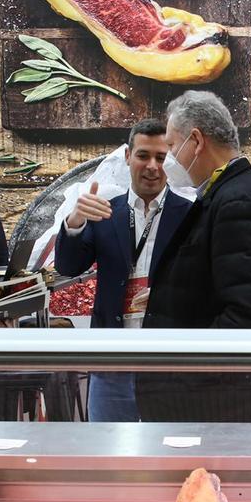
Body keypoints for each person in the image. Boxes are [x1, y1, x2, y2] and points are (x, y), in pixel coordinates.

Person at [136, 92, 251, 422]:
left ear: (196, 141)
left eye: (171, 146)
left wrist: (187, 374)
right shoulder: (232, 192)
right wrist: (173, 295)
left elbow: (249, 316)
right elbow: (227, 279)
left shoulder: (238, 202)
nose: (169, 161)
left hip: (219, 401)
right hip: (220, 396)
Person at [55, 118, 191, 421]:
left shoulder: (191, 214)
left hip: (168, 360)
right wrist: (75, 221)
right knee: (108, 451)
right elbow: (67, 266)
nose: (152, 166)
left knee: (167, 453)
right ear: (128, 156)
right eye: (143, 155)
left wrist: (168, 294)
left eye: (161, 157)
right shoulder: (105, 210)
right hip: (112, 356)